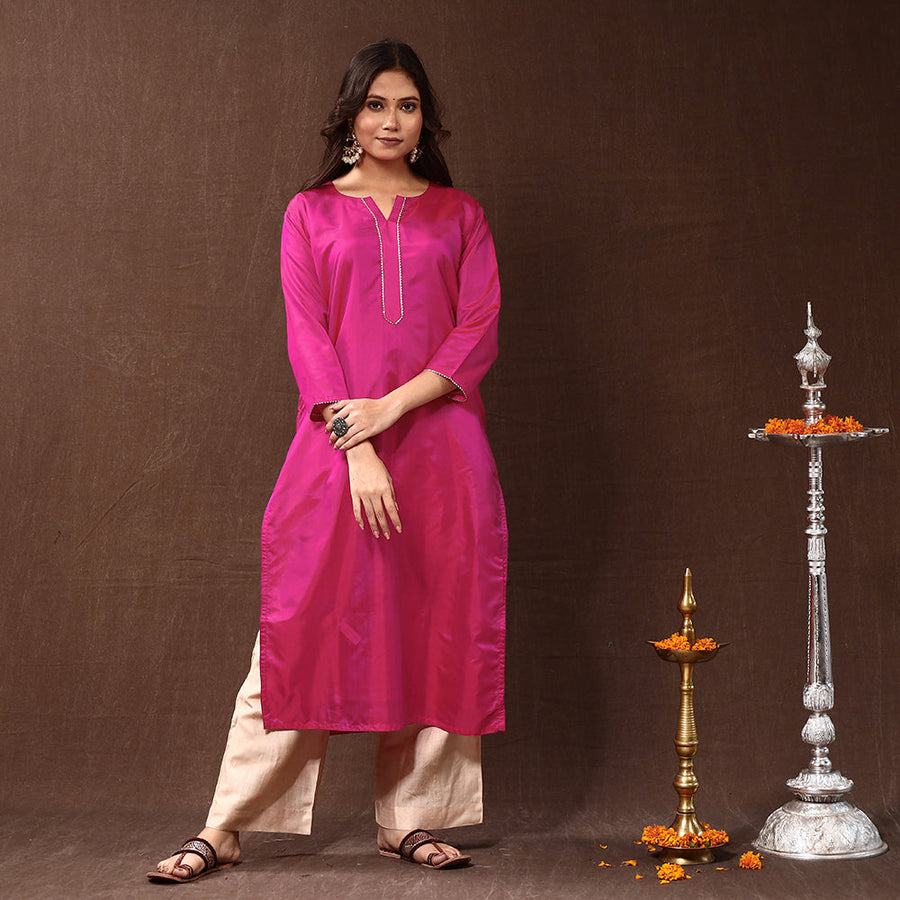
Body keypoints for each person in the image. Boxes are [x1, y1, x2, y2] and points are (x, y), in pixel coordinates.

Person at [149, 39, 507, 883]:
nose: (392, 121)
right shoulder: (309, 213)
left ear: (425, 121)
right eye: (376, 104)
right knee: (299, 625)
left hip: (443, 447)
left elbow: (477, 329)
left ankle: (412, 819)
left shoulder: (461, 215)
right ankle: (225, 825)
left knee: (437, 622)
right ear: (350, 116)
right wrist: (360, 442)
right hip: (335, 444)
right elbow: (308, 337)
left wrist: (390, 409)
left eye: (407, 106)